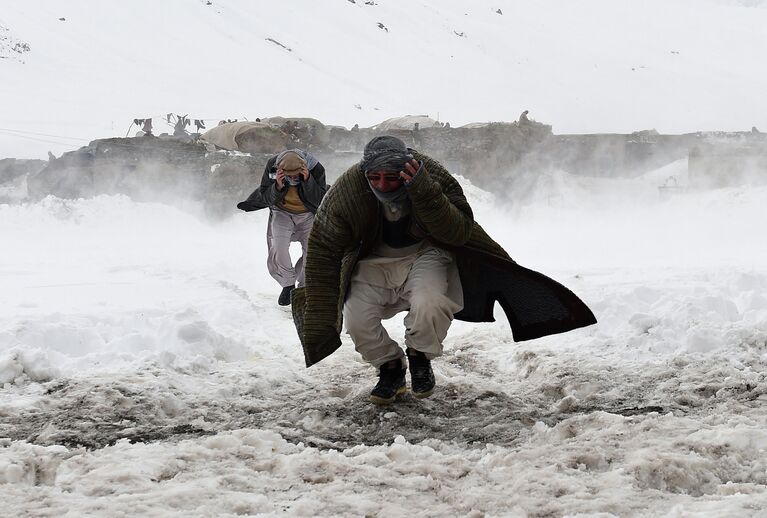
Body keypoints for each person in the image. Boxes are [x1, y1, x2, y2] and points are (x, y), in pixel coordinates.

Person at [292, 136, 596, 405]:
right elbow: (323, 248)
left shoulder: (431, 173)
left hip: (426, 254)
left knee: (430, 301)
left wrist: (423, 191)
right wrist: (319, 311)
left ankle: (420, 356)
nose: (383, 186)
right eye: (375, 178)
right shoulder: (347, 191)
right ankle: (390, 367)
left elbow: (458, 231)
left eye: (391, 178)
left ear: (406, 170)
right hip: (372, 261)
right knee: (357, 317)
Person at [237, 149, 328, 306]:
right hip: (282, 212)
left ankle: (303, 288)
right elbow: (265, 196)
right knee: (278, 248)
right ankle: (288, 284)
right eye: (289, 176)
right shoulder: (272, 165)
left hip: (308, 214)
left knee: (312, 252)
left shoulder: (316, 168)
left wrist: (308, 181)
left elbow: (319, 199)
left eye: (295, 176)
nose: (292, 179)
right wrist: (277, 186)